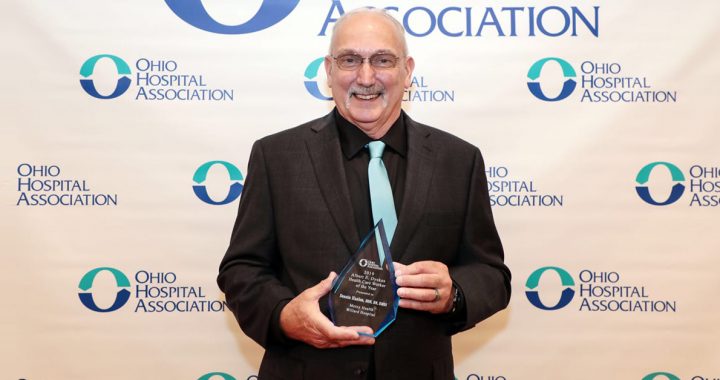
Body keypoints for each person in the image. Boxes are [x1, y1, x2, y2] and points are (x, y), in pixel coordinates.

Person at [218, 7, 510, 380]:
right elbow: (241, 270)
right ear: (328, 71)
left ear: (408, 71)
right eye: (350, 60)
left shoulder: (459, 160)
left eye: (382, 60)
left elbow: (492, 274)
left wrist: (455, 293)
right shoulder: (276, 156)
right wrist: (283, 316)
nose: (366, 76)